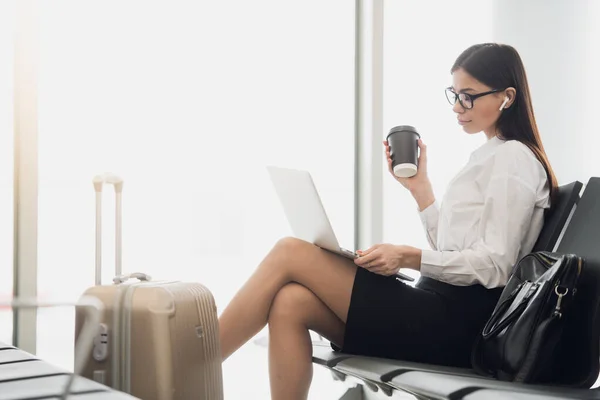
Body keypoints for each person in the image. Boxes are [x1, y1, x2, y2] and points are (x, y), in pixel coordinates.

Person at [218, 42, 558, 400]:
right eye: (454, 95)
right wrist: (420, 189)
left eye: (468, 97)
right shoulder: (491, 155)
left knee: (290, 251)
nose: (457, 108)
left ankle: (189, 368)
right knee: (290, 301)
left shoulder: (514, 160)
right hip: (435, 309)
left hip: (455, 325)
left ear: (507, 97)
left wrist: (408, 257)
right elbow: (454, 249)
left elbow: (496, 267)